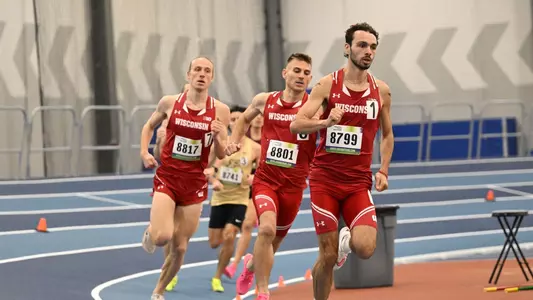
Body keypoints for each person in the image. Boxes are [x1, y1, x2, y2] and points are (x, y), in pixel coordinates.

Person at [289, 22, 394, 300]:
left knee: (366, 248)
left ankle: (345, 242)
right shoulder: (327, 85)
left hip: (358, 182)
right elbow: (297, 124)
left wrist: (383, 169)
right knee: (327, 256)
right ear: (347, 49)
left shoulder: (381, 91)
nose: (368, 51)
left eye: (372, 47)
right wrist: (324, 121)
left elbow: (387, 134)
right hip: (325, 181)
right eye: (362, 45)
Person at [226, 52, 317, 300]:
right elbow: (243, 120)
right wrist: (234, 141)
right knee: (265, 229)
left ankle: (250, 267)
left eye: (306, 73)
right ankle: (263, 291)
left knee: (271, 245)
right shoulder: (265, 100)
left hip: (294, 185)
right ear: (284, 74)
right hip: (266, 180)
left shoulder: (314, 106)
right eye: (296, 71)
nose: (301, 76)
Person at [139, 56, 230, 300]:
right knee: (162, 238)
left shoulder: (220, 110)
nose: (202, 74)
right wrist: (144, 151)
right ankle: (151, 231)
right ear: (188, 75)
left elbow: (221, 153)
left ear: (212, 77)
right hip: (168, 178)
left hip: (195, 184)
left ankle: (158, 292)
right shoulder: (170, 103)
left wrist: (221, 137)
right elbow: (148, 126)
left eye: (207, 71)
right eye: (197, 70)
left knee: (180, 248)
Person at [205, 110, 261, 292]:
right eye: (233, 120)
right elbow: (207, 170)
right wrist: (213, 181)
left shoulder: (255, 148)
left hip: (240, 198)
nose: (237, 123)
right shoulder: (220, 145)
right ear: (229, 123)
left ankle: (217, 277)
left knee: (230, 234)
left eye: (240, 120)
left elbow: (262, 172)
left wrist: (255, 178)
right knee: (214, 242)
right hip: (220, 198)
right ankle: (225, 253)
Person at [223, 106, 262, 279]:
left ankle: (235, 264)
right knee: (230, 230)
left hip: (258, 189)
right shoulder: (242, 140)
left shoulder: (268, 138)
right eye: (257, 116)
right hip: (238, 190)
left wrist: (257, 178)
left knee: (247, 225)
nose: (259, 119)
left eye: (263, 116)